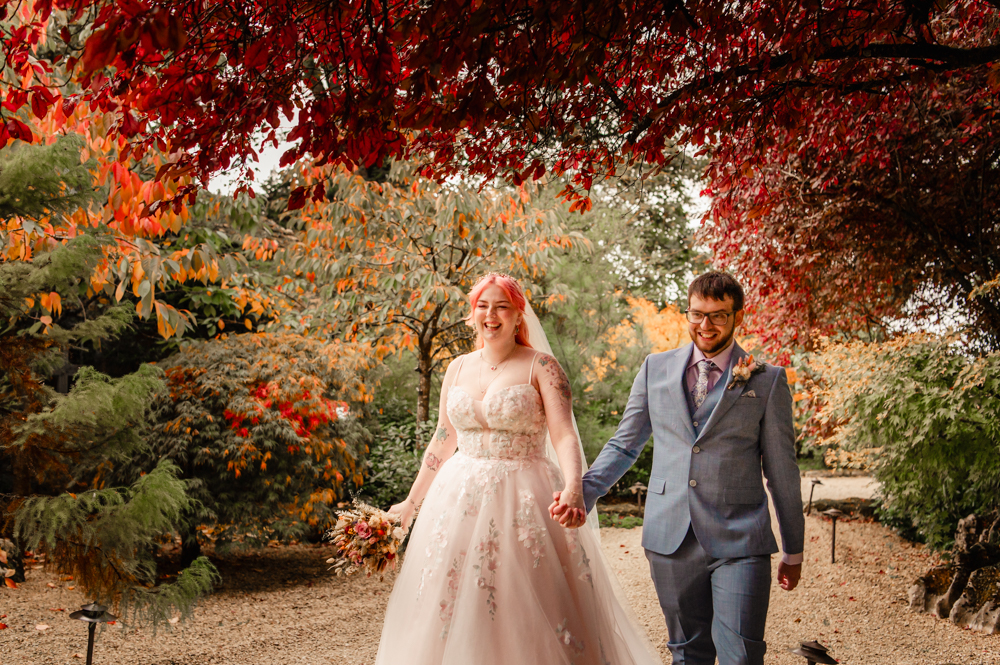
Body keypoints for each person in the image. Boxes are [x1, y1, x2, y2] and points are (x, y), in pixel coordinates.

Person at [377, 272, 660, 665]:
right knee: (454, 600)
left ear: (517, 313)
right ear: (471, 314)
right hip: (458, 499)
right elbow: (443, 439)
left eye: (501, 306)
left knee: (522, 598)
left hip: (526, 495)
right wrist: (410, 503)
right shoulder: (456, 368)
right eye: (483, 306)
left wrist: (575, 488)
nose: (491, 315)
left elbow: (563, 436)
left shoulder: (542, 366)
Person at [552, 271, 804, 665]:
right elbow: (625, 444)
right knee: (687, 654)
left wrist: (794, 548)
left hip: (741, 539)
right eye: (697, 314)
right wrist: (581, 493)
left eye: (718, 316)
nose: (705, 325)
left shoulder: (767, 381)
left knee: (742, 654)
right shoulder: (655, 368)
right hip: (670, 536)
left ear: (739, 316)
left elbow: (782, 470)